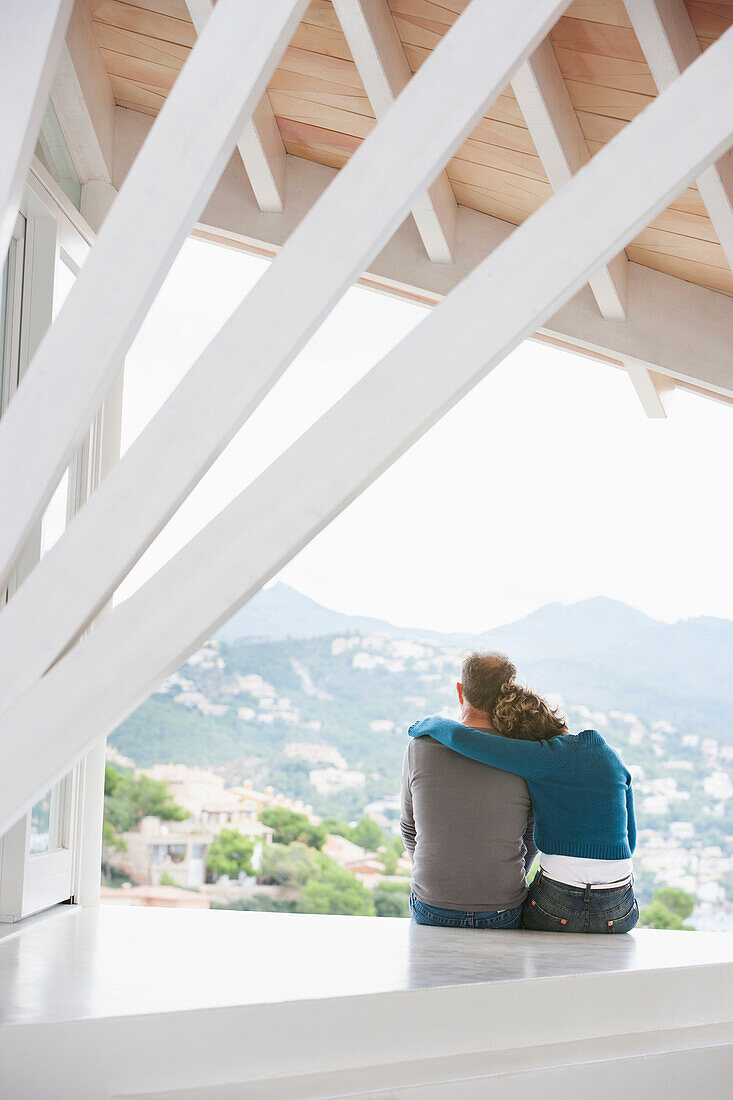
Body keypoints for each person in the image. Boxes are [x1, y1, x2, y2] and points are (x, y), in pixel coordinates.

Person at [409, 651, 638, 934]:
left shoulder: (539, 757)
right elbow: (631, 839)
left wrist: (429, 724)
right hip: (619, 907)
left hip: (543, 905)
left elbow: (461, 738)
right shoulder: (610, 757)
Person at [400, 663, 537, 930]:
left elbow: (408, 828)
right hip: (503, 907)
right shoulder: (525, 752)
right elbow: (532, 835)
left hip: (432, 905)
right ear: (509, 694)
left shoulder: (420, 747)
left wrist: (437, 881)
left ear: (460, 691)